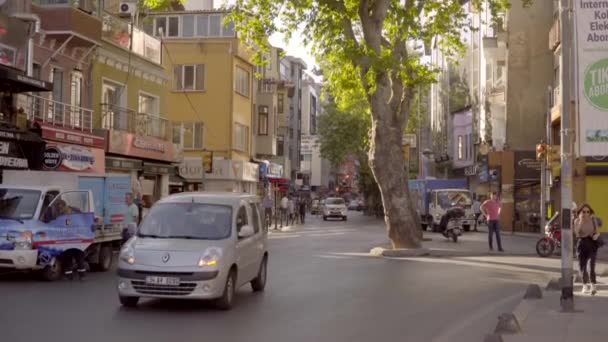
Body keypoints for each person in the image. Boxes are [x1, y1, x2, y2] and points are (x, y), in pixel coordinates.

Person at [574, 203, 601, 295]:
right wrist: (581, 221)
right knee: (583, 267)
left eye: (588, 212)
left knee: (591, 266)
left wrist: (596, 236)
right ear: (580, 212)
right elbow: (577, 234)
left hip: (592, 244)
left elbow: (597, 232)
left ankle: (593, 286)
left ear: (590, 212)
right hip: (581, 244)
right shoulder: (577, 221)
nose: (586, 213)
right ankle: (584, 285)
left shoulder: (593, 220)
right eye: (583, 211)